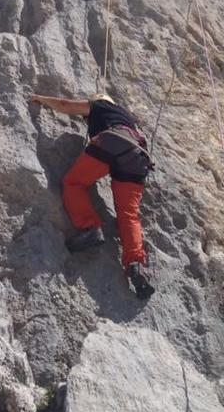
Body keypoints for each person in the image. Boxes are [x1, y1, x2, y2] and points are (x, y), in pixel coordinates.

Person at [30, 91, 155, 299]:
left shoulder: (101, 106)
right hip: (138, 157)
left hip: (113, 142)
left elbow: (65, 105)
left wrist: (41, 99)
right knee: (128, 215)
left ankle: (89, 228)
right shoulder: (128, 120)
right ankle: (135, 264)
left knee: (74, 183)